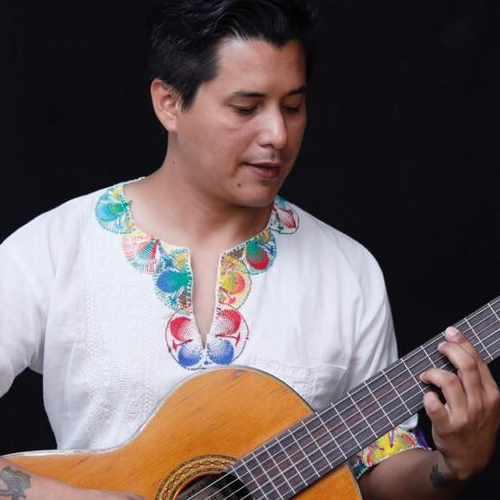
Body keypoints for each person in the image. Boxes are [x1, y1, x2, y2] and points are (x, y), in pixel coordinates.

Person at [0, 0, 498, 499]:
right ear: (169, 103)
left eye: (292, 107)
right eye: (246, 108)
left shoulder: (349, 273)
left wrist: (449, 467)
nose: (277, 135)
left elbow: (372, 474)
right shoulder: (54, 250)